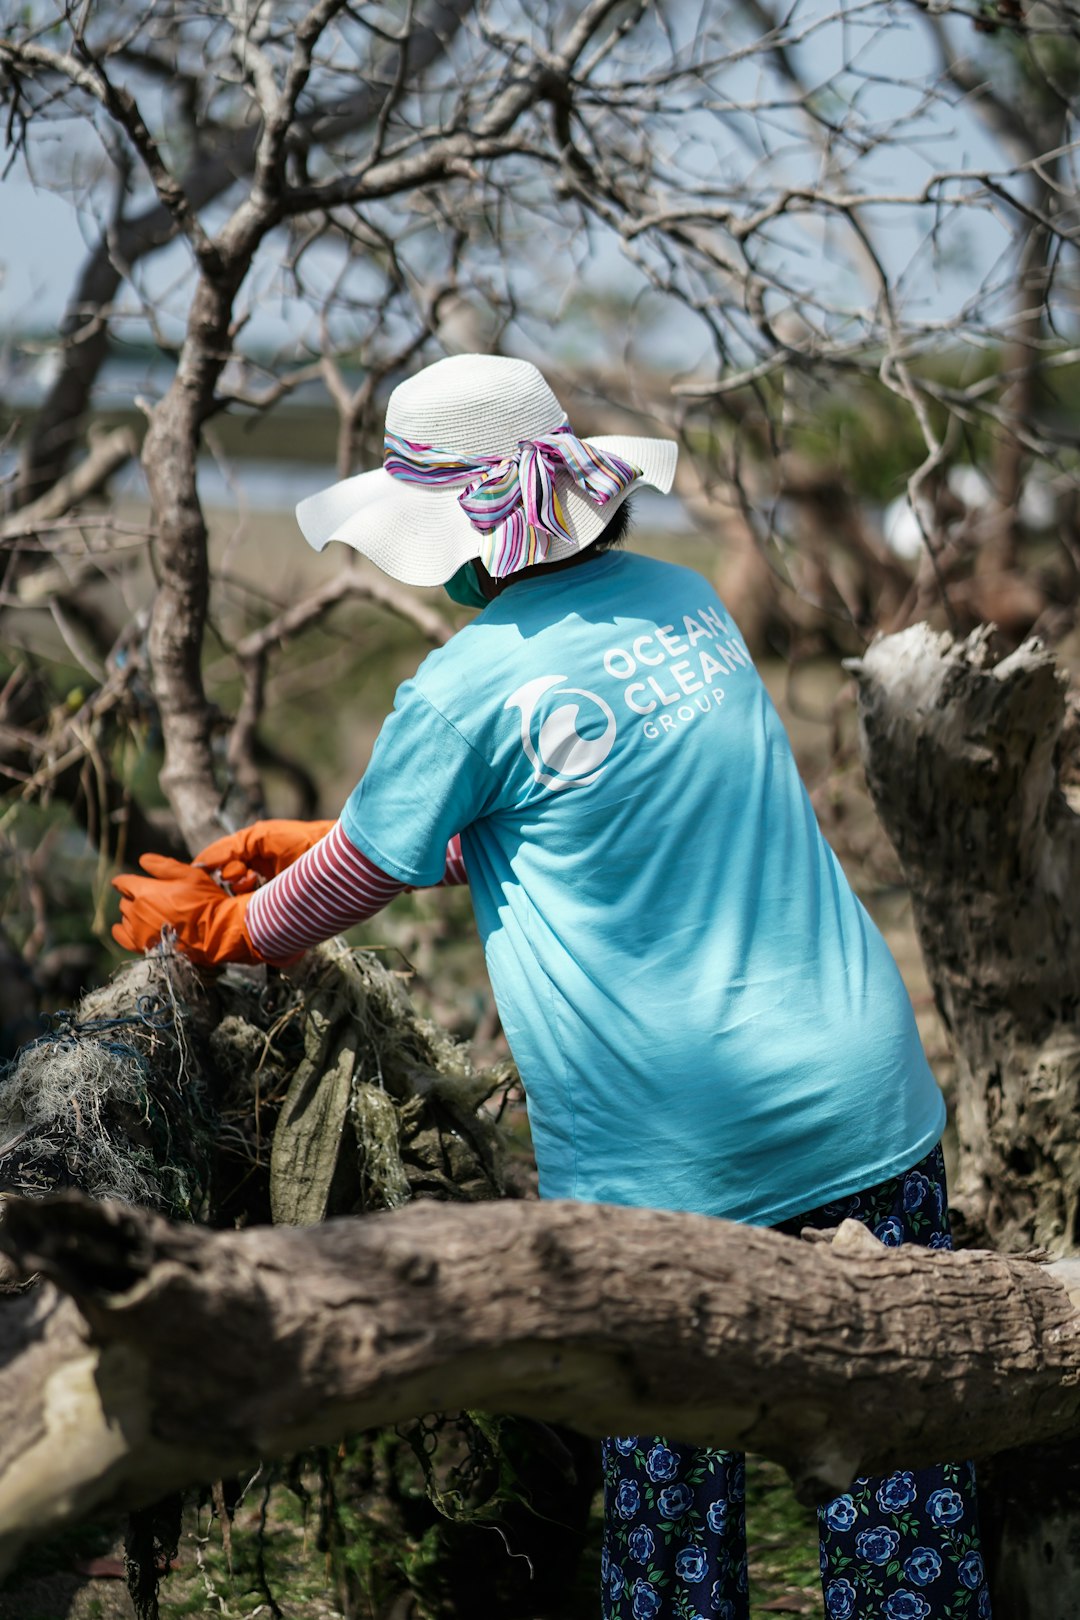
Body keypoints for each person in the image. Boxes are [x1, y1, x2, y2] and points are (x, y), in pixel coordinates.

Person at [113, 353, 991, 1620]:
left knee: (675, 1519)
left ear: (467, 540)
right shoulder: (689, 602)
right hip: (865, 1104)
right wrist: (316, 835)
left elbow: (359, 882)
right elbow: (570, 822)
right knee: (895, 1496)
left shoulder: (466, 685)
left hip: (678, 1169)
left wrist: (229, 929)